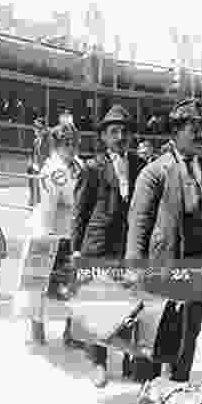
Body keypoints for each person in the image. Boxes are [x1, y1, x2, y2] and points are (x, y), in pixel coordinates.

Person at [125, 98, 202, 383]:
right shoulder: (155, 172)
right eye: (194, 129)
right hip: (162, 264)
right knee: (155, 328)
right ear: (176, 133)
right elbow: (139, 221)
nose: (200, 135)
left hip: (194, 264)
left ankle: (178, 389)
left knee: (189, 329)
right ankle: (147, 392)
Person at [71, 105, 146, 387]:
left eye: (125, 131)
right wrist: (77, 249)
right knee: (99, 305)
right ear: (103, 136)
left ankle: (131, 359)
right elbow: (80, 211)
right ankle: (98, 362)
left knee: (131, 304)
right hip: (98, 245)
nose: (120, 136)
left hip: (128, 246)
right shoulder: (92, 168)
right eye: (114, 131)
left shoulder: (140, 165)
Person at [14, 119, 84, 344]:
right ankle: (37, 331)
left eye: (74, 143)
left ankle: (70, 331)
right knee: (38, 285)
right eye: (66, 144)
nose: (72, 148)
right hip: (47, 229)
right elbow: (48, 207)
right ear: (56, 145)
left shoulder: (79, 165)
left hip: (72, 231)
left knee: (74, 284)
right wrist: (46, 238)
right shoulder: (52, 169)